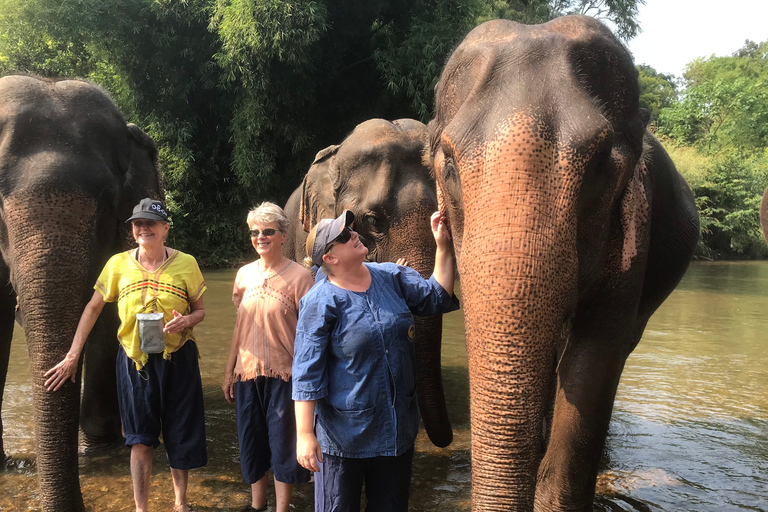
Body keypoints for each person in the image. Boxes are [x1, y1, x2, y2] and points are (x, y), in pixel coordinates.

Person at [45, 198, 207, 512]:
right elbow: (93, 308)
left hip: (179, 359)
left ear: (165, 229)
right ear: (132, 231)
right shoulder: (118, 264)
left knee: (181, 432)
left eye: (150, 223)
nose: (143, 228)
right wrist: (72, 355)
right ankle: (140, 508)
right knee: (139, 438)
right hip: (136, 362)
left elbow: (200, 311)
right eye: (137, 224)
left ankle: (180, 503)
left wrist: (187, 320)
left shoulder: (187, 263)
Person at [292, 209, 459, 512]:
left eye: (352, 230)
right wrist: (304, 434)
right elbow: (307, 374)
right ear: (329, 258)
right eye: (343, 236)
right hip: (344, 439)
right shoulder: (319, 302)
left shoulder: (390, 276)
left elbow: (436, 297)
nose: (354, 234)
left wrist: (443, 246)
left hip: (395, 432)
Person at [222, 202, 312, 512]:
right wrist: (229, 370)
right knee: (252, 443)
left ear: (283, 236)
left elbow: (311, 333)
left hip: (285, 375)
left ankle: (282, 508)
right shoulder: (244, 274)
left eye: (268, 232)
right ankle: (256, 506)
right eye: (255, 232)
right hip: (247, 373)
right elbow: (240, 326)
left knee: (283, 444)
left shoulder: (301, 277)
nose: (260, 237)